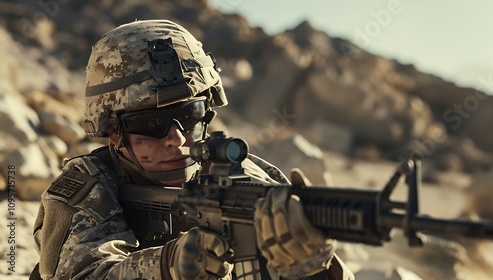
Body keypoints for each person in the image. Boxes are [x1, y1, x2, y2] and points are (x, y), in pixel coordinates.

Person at [31, 19, 354, 280]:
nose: (178, 139)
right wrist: (164, 266)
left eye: (190, 116)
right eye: (152, 124)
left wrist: (315, 266)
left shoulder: (254, 178)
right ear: (113, 131)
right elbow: (82, 272)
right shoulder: (85, 190)